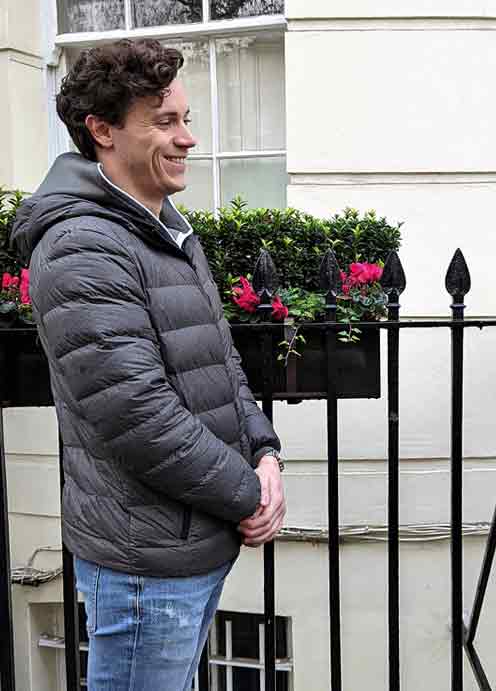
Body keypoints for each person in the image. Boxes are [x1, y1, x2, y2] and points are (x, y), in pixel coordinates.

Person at [10, 39, 286, 690]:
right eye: (165, 122)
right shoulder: (82, 245)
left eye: (186, 119)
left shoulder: (163, 226)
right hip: (146, 564)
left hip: (190, 540)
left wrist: (265, 451)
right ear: (101, 130)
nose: (188, 138)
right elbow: (139, 415)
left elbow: (220, 362)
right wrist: (249, 493)